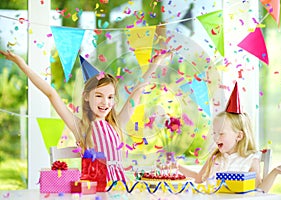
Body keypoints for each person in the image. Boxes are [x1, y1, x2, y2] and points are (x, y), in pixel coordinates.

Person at [0, 49, 173, 182]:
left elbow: (139, 90)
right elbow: (51, 93)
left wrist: (156, 62)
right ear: (86, 96)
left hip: (120, 188)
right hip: (94, 191)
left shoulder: (116, 124)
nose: (105, 102)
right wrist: (22, 64)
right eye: (99, 95)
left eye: (110, 97)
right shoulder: (81, 127)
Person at [177, 111, 281, 193]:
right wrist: (177, 167)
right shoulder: (215, 157)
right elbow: (199, 178)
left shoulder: (250, 160)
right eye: (214, 133)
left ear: (238, 136)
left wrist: (274, 172)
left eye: (221, 133)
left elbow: (260, 190)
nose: (216, 137)